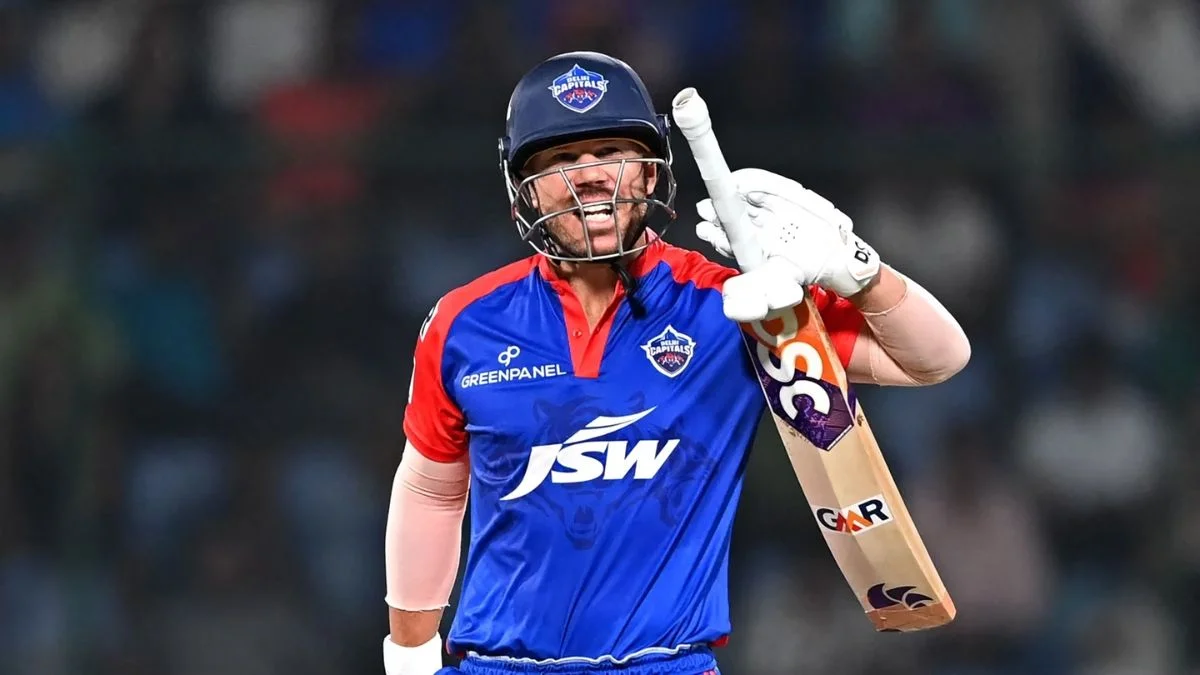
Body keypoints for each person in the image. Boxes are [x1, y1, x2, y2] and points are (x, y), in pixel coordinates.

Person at [383, 51, 971, 675]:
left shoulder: (734, 306)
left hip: (666, 664)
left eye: (611, 151)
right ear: (523, 186)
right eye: (561, 159)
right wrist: (409, 654)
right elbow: (431, 491)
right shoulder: (464, 323)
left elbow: (936, 359)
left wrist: (856, 269)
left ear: (649, 172)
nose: (590, 177)